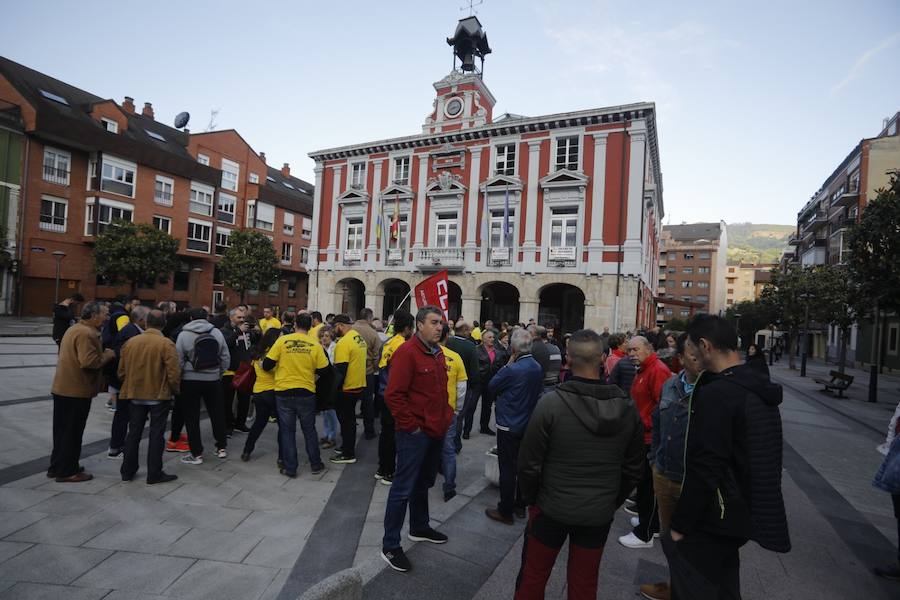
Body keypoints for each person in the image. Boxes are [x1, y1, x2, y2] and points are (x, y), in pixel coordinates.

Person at [666, 315, 790, 599]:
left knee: (696, 584)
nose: (691, 357)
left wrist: (680, 526)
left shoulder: (719, 393)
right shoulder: (755, 384)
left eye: (692, 349)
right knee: (724, 586)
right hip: (740, 511)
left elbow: (706, 465)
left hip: (713, 516)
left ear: (705, 345)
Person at [516, 329, 644, 599]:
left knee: (534, 575)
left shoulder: (551, 404)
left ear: (568, 358)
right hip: (597, 511)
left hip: (551, 506)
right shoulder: (627, 407)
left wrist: (532, 499)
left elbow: (529, 462)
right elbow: (634, 467)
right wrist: (611, 500)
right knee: (584, 583)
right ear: (603, 358)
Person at [381, 306, 452, 573]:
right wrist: (412, 428)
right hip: (415, 434)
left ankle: (419, 527)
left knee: (424, 482)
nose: (439, 328)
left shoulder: (438, 352)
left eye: (441, 323)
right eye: (434, 322)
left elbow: (440, 390)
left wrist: (445, 418)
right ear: (419, 325)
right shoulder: (406, 353)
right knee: (402, 489)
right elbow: (393, 396)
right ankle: (390, 545)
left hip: (435, 430)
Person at [639, 333, 700, 600]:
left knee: (695, 542)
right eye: (693, 354)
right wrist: (655, 462)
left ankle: (689, 590)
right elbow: (659, 423)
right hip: (664, 474)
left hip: (694, 481)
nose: (699, 359)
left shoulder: (713, 391)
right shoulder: (671, 385)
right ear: (682, 358)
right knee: (668, 538)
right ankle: (675, 584)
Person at [49, 302, 116, 482]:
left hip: (63, 388)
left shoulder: (76, 328)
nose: (107, 317)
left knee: (62, 431)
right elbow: (89, 362)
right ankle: (68, 471)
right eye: (105, 314)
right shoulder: (87, 333)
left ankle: (58, 465)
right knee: (72, 432)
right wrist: (108, 355)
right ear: (93, 316)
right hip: (76, 391)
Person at [618, 335, 673, 549]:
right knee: (645, 485)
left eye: (635, 350)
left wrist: (645, 425)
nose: (631, 354)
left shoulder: (656, 370)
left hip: (650, 439)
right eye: (629, 350)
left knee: (647, 486)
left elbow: (663, 407)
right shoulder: (644, 369)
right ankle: (651, 523)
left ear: (648, 349)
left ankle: (645, 533)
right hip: (644, 435)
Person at [484, 328, 543, 525]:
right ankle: (519, 505)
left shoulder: (512, 369)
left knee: (507, 468)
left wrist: (507, 364)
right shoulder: (536, 366)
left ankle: (506, 510)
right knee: (522, 466)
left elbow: (492, 386)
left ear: (513, 349)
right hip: (527, 423)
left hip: (509, 424)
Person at [117, 309, 181, 485]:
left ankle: (127, 470)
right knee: (156, 434)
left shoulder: (131, 342)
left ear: (146, 322)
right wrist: (174, 390)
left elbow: (121, 371)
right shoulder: (166, 344)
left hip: (135, 394)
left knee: (134, 433)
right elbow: (173, 373)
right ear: (164, 324)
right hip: (158, 396)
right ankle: (154, 472)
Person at [263, 313, 329, 477]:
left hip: (283, 391)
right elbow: (325, 370)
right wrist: (312, 373)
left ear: (295, 325)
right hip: (306, 391)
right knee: (309, 429)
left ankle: (290, 467)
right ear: (310, 327)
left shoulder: (282, 341)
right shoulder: (315, 344)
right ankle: (315, 464)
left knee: (287, 431)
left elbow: (266, 364)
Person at [176, 307, 231, 464]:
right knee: (217, 413)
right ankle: (221, 448)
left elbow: (178, 359)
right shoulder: (216, 332)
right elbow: (225, 356)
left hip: (190, 379)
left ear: (191, 317)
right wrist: (219, 372)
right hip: (213, 379)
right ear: (207, 317)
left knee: (192, 416)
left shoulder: (183, 334)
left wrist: (181, 376)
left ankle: (197, 453)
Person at [375, 310, 415, 485]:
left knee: (386, 433)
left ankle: (382, 468)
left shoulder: (389, 342)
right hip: (395, 395)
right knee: (394, 434)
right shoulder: (403, 346)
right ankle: (389, 471)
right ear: (407, 328)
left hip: (383, 393)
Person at [107, 305, 150, 459]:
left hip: (126, 380)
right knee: (123, 414)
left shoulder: (132, 330)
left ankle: (118, 444)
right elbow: (125, 355)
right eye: (147, 317)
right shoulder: (131, 332)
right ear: (141, 319)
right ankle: (117, 446)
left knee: (124, 414)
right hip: (125, 381)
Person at [241, 328, 284, 464]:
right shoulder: (273, 354)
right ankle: (282, 457)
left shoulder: (257, 353)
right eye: (280, 337)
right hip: (274, 392)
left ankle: (247, 450)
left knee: (259, 423)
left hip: (259, 392)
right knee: (283, 426)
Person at [330, 314, 368, 464]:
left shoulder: (344, 342)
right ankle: (347, 446)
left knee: (347, 421)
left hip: (347, 388)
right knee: (349, 420)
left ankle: (348, 453)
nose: (334, 330)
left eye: (335, 327)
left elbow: (340, 370)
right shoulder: (358, 338)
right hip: (358, 384)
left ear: (340, 325)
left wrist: (333, 391)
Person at [438, 323, 467, 502]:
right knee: (448, 450)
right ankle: (449, 487)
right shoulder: (455, 357)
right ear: (447, 336)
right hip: (448, 411)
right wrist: (457, 408)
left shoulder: (425, 354)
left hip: (427, 411)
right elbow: (462, 387)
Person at [447, 320, 480, 451]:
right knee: (458, 415)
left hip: (447, 381)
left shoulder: (448, 342)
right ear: (465, 330)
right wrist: (474, 386)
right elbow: (474, 370)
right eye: (469, 330)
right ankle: (456, 444)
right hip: (463, 384)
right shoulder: (470, 346)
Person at [221, 307, 253, 434]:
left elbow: (252, 345)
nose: (242, 320)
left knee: (244, 399)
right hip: (230, 371)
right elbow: (225, 344)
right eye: (239, 317)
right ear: (231, 317)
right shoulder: (224, 330)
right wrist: (238, 332)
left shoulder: (246, 331)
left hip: (245, 370)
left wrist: (256, 332)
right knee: (227, 401)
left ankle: (240, 423)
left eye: (243, 317)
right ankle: (228, 425)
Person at [353, 307, 382, 440]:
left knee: (350, 402)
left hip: (351, 370)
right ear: (370, 318)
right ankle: (369, 431)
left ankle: (348, 429)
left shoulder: (350, 329)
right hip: (367, 371)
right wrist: (375, 368)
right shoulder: (373, 333)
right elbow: (377, 355)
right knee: (367, 402)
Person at [473, 329, 506, 436]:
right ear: (483, 339)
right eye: (489, 337)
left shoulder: (498, 352)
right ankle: (466, 430)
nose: (492, 339)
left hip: (491, 383)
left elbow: (500, 367)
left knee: (487, 407)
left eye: (493, 337)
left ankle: (484, 427)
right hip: (478, 383)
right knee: (471, 406)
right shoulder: (476, 350)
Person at [317, 326, 339, 450]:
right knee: (324, 411)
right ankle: (326, 434)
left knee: (331, 411)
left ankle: (332, 437)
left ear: (331, 336)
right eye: (322, 336)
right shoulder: (319, 347)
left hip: (332, 382)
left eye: (326, 336)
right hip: (322, 383)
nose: (324, 338)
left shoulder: (335, 348)